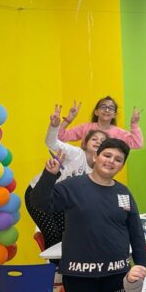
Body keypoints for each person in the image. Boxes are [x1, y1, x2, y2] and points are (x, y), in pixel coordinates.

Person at [28, 139, 146, 292]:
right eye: (107, 155)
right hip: (79, 275)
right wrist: (50, 175)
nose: (111, 161)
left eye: (118, 159)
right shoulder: (72, 186)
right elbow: (40, 204)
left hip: (116, 274)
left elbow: (136, 232)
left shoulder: (124, 193)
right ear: (95, 156)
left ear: (122, 165)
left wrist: (141, 266)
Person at [26, 105, 107, 249]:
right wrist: (54, 126)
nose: (98, 142)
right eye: (94, 139)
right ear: (84, 143)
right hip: (38, 193)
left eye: (102, 141)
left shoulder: (99, 169)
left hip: (60, 200)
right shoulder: (75, 153)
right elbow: (51, 143)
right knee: (52, 234)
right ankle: (54, 262)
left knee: (67, 233)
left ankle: (65, 262)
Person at [58, 97, 143, 149]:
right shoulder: (85, 127)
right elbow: (60, 136)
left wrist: (134, 124)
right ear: (96, 112)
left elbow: (137, 143)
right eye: (103, 107)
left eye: (111, 108)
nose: (107, 110)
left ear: (114, 115)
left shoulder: (119, 133)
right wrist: (68, 120)